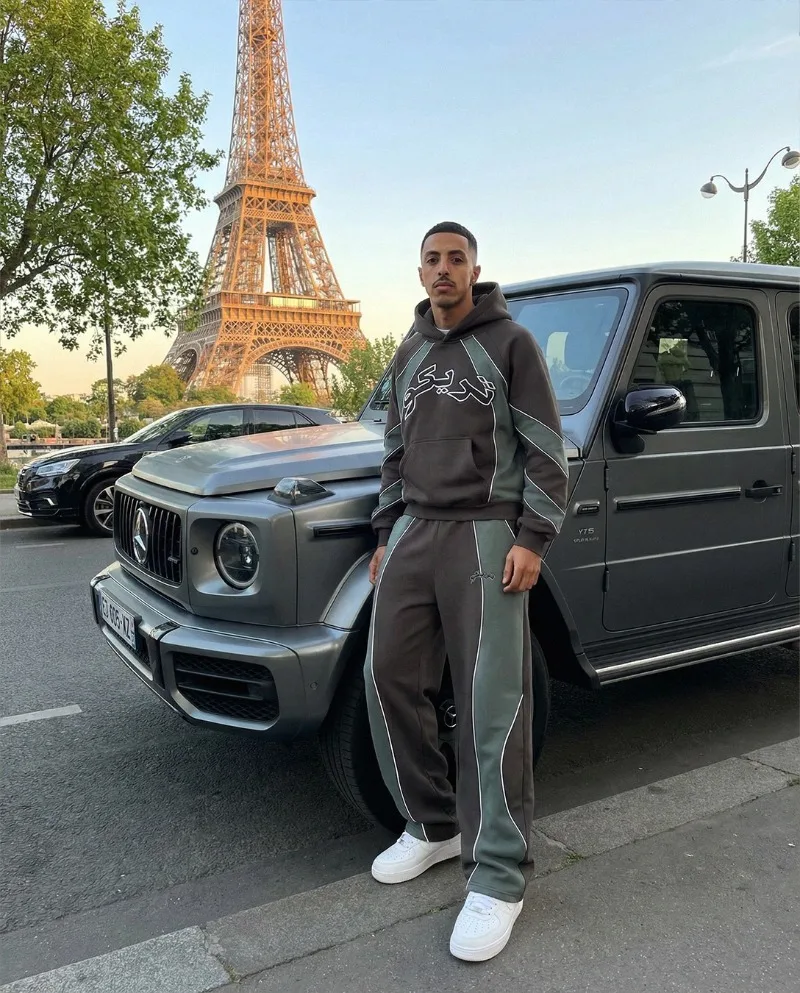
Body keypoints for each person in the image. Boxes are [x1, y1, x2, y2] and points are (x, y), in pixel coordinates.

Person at [365, 221, 568, 962]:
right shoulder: (409, 350)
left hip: (485, 534)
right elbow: (393, 447)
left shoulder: (510, 343)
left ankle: (499, 874)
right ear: (419, 272)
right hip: (413, 531)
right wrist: (384, 532)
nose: (444, 269)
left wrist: (532, 537)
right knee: (387, 675)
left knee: (491, 703)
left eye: (457, 258)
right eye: (433, 259)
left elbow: (546, 447)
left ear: (475, 270)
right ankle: (433, 823)